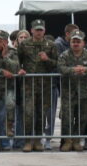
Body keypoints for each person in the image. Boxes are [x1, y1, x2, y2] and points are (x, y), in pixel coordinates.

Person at [17, 19, 58, 152]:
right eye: (36, 29)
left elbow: (56, 64)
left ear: (44, 31)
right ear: (32, 30)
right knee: (28, 113)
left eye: (41, 29)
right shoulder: (24, 45)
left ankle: (38, 140)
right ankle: (28, 140)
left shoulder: (50, 45)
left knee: (41, 113)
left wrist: (47, 59)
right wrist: (19, 69)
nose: (38, 32)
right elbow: (18, 61)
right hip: (29, 85)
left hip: (45, 85)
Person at [57, 31, 87, 151]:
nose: (75, 44)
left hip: (84, 92)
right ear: (70, 42)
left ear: (83, 43)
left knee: (83, 117)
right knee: (67, 118)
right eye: (73, 41)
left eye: (78, 41)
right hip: (68, 92)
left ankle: (76, 140)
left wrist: (85, 69)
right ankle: (67, 141)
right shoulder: (64, 55)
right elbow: (60, 68)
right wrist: (73, 70)